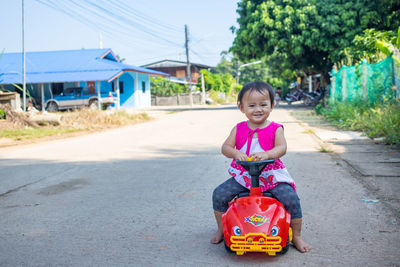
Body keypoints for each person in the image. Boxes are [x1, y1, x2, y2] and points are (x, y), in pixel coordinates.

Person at [210, 81, 311, 253]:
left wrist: (269, 154)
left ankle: (297, 236)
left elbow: (282, 148)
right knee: (219, 194)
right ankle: (222, 229)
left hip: (271, 176)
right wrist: (235, 153)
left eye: (263, 104)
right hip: (244, 176)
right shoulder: (239, 128)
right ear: (241, 107)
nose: (258, 109)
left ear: (272, 105)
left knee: (291, 199)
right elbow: (225, 147)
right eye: (251, 105)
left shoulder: (275, 129)